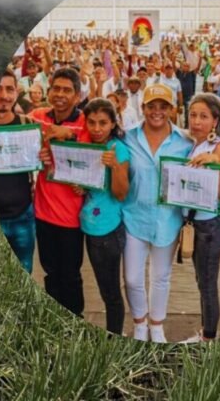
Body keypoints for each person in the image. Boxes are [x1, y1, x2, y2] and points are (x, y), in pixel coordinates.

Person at [121, 84, 193, 342]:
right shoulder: (127, 137)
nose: (157, 112)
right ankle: (139, 322)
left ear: (172, 110)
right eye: (152, 106)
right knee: (131, 277)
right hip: (133, 217)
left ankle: (157, 325)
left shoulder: (185, 141)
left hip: (168, 219)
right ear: (143, 108)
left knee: (161, 277)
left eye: (163, 107)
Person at [30, 67, 90, 316]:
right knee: (50, 273)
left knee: (71, 276)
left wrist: (69, 137)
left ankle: (75, 324)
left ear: (77, 96)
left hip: (72, 217)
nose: (60, 95)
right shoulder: (36, 117)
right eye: (56, 88)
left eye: (67, 90)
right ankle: (53, 321)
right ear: (48, 90)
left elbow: (95, 159)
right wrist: (36, 153)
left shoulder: (86, 123)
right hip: (42, 213)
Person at [179, 93, 220, 342]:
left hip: (209, 224)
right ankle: (205, 331)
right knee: (202, 280)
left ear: (215, 120)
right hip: (195, 220)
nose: (197, 121)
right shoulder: (192, 143)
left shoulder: (217, 145)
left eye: (203, 116)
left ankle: (209, 337)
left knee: (208, 283)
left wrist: (213, 160)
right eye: (193, 115)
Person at [78, 98, 130, 336]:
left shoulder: (117, 149)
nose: (97, 128)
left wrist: (115, 167)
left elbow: (120, 193)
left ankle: (114, 336)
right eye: (92, 122)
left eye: (102, 123)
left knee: (111, 293)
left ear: (112, 124)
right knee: (103, 288)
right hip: (90, 227)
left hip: (108, 230)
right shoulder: (88, 146)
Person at [0, 70, 36, 272]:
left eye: (9, 89)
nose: (4, 96)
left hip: (22, 217)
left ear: (16, 93)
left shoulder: (28, 124)